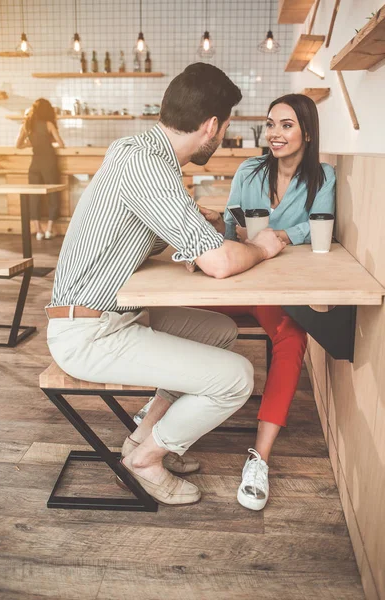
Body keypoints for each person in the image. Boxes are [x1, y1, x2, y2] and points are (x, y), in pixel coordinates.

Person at [45, 63, 285, 507]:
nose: (223, 134)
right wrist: (264, 248)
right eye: (226, 126)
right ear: (211, 126)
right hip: (87, 333)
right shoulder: (148, 165)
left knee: (221, 333)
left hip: (111, 315)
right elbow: (217, 264)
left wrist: (192, 228)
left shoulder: (137, 152)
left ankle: (142, 438)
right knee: (236, 379)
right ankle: (147, 461)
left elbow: (141, 231)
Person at [191, 93, 335, 511]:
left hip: (275, 290)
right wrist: (220, 222)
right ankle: (163, 404)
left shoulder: (323, 177)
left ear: (307, 132)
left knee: (292, 338)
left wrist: (284, 237)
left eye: (286, 125)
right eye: (271, 124)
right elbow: (234, 226)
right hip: (239, 281)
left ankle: (259, 458)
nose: (274, 133)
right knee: (185, 317)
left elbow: (321, 224)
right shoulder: (249, 170)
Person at [16, 98, 65, 240]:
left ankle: (38, 231)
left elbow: (18, 145)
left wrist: (30, 143)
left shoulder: (27, 124)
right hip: (49, 162)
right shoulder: (49, 124)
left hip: (35, 163)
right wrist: (48, 141)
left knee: (34, 196)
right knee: (53, 194)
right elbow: (61, 144)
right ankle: (49, 229)